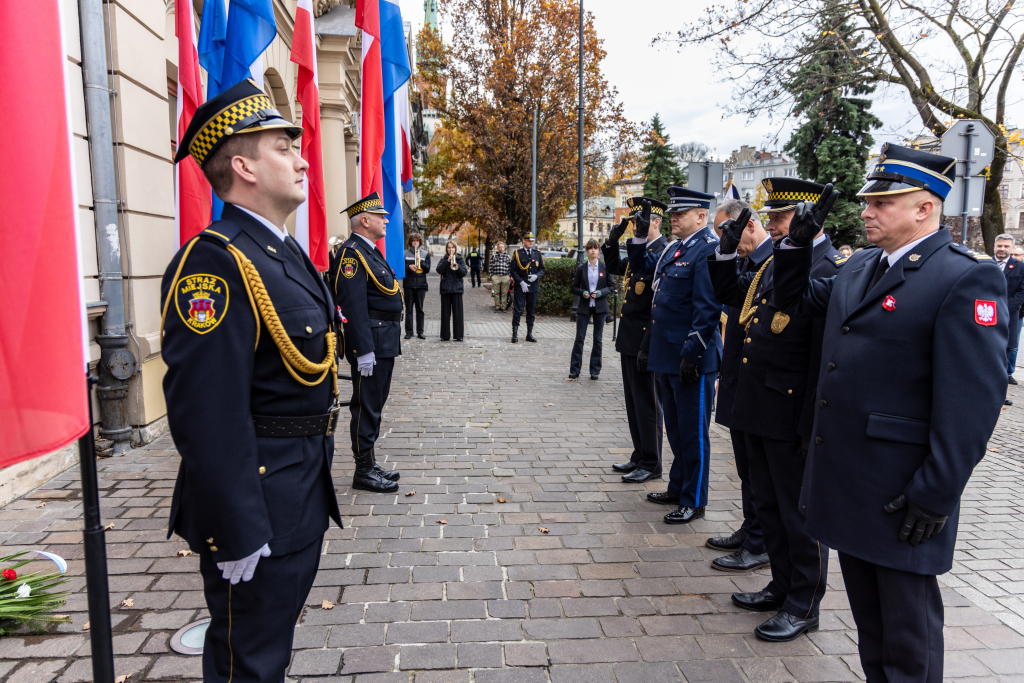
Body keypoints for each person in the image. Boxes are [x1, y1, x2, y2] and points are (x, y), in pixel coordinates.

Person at [773, 144, 1008, 681]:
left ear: (924, 208)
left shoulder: (963, 277)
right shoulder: (861, 265)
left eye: (883, 202)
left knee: (908, 641)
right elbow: (797, 302)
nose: (866, 211)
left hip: (904, 494)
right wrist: (794, 245)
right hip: (849, 482)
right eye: (867, 202)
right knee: (872, 629)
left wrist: (936, 492)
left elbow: (972, 403)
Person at [161, 80, 342, 683]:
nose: (303, 157)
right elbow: (207, 412)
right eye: (282, 148)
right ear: (242, 166)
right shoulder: (215, 261)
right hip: (259, 506)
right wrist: (236, 528)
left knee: (270, 653)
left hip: (298, 492)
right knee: (249, 665)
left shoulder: (282, 252)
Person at [708, 178, 846, 641]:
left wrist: (812, 420)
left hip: (790, 410)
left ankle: (804, 603)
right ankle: (782, 585)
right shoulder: (781, 259)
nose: (771, 226)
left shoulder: (827, 264)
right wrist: (726, 252)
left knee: (797, 514)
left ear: (810, 220)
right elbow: (735, 297)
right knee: (767, 504)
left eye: (780, 219)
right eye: (770, 219)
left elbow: (819, 353)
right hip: (759, 402)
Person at [643, 187, 722, 525]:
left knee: (693, 434)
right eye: (673, 212)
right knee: (675, 430)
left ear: (701, 216)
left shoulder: (708, 249)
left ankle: (694, 499)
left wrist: (692, 353)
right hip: (668, 356)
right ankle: (677, 486)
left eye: (681, 213)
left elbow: (707, 309)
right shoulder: (678, 249)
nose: (673, 217)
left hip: (692, 359)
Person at [704, 199, 772, 573]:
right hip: (737, 377)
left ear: (747, 224)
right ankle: (750, 529)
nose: (721, 239)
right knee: (747, 467)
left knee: (760, 472)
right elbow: (726, 295)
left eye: (725, 232)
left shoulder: (774, 261)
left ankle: (761, 542)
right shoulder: (746, 260)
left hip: (759, 383)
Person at [331, 191, 403, 494]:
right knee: (366, 406)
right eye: (380, 216)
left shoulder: (369, 250)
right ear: (364, 220)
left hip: (383, 338)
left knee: (376, 403)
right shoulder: (352, 254)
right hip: (371, 342)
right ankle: (363, 471)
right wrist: (362, 350)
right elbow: (353, 304)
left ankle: (369, 464)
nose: (386, 220)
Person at [602, 196, 669, 483]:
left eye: (639, 223)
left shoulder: (662, 251)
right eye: (632, 224)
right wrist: (610, 242)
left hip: (646, 341)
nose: (634, 228)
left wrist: (638, 241)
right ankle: (640, 455)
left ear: (655, 222)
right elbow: (618, 266)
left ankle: (652, 462)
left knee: (647, 403)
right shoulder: (641, 248)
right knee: (633, 401)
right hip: (630, 338)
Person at [569, 239, 615, 380]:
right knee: (579, 339)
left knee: (598, 339)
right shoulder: (581, 268)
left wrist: (601, 292)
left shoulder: (605, 267)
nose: (593, 251)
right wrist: (583, 292)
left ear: (599, 251)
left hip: (600, 307)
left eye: (596, 248)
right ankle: (575, 370)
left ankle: (595, 370)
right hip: (584, 306)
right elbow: (574, 287)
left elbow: (611, 287)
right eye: (590, 248)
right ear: (587, 251)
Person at [995, 234, 1024, 395]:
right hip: (983, 318)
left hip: (1008, 317)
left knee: (1003, 358)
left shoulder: (1020, 267)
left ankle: (1000, 395)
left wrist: (1002, 308)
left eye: (1006, 246)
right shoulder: (983, 262)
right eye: (1000, 245)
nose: (1002, 249)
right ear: (994, 246)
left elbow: (1021, 292)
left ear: (1012, 248)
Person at [509, 233, 546, 343]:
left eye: (532, 240)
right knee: (518, 310)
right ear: (523, 241)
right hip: (521, 286)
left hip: (533, 286)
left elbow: (542, 269)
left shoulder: (537, 253)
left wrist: (537, 276)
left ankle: (529, 334)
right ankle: (514, 334)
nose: (531, 242)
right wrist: (520, 282)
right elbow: (513, 270)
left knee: (531, 311)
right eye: (528, 240)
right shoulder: (517, 253)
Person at [437, 240, 468, 341]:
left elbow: (463, 273)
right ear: (447, 249)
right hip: (446, 289)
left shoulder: (460, 259)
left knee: (458, 314)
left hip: (457, 289)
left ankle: (458, 336)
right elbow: (439, 270)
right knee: (445, 314)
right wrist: (447, 262)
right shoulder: (444, 259)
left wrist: (456, 265)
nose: (451, 249)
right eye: (449, 248)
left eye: (452, 247)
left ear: (455, 249)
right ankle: (445, 335)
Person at [403, 232, 430, 340]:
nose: (415, 243)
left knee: (420, 309)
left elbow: (427, 269)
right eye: (413, 241)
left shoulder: (425, 254)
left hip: (420, 285)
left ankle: (420, 332)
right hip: (409, 285)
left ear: (420, 242)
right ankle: (409, 332)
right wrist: (408, 267)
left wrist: (421, 263)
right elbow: (400, 267)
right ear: (410, 242)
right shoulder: (405, 253)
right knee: (408, 310)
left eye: (417, 241)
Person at [489, 241, 511, 312]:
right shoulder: (494, 255)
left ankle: (504, 307)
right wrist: (491, 275)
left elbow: (510, 266)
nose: (501, 248)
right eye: (499, 247)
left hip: (505, 276)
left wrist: (509, 275)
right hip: (496, 276)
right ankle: (497, 307)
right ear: (497, 248)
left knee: (504, 292)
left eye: (502, 247)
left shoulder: (507, 256)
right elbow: (491, 266)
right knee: (496, 292)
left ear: (504, 248)